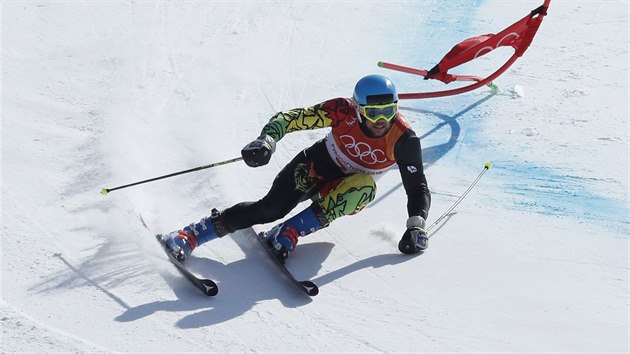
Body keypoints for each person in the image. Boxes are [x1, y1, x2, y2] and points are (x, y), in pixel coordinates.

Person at [161, 74, 431, 263]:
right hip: (316, 166)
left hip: (346, 187)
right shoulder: (342, 110)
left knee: (365, 188)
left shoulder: (403, 139)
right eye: (374, 113)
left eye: (389, 111)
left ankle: (288, 232)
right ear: (359, 109)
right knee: (269, 209)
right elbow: (291, 119)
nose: (382, 120)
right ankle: (193, 233)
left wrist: (416, 225)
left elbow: (416, 186)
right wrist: (267, 139)